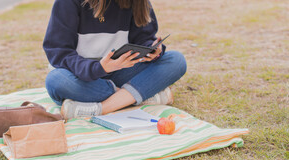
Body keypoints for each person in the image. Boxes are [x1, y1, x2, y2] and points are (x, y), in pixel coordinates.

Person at [43, 0, 187, 119]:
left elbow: (143, 39)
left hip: (121, 71)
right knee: (57, 80)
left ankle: (102, 108)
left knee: (176, 60)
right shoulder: (67, 2)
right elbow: (59, 51)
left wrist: (152, 50)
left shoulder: (138, 2)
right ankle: (136, 96)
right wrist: (99, 68)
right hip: (84, 77)